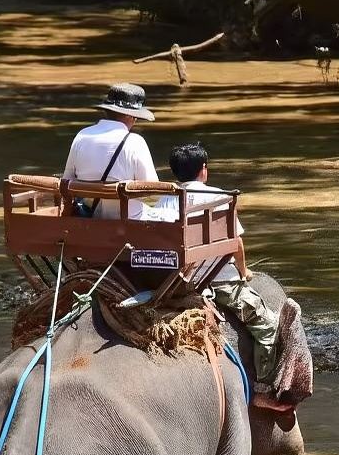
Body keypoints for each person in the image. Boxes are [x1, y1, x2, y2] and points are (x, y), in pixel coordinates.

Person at [155, 143, 280, 391]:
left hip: (176, 281)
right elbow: (237, 243)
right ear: (204, 170)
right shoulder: (220, 196)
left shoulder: (165, 199)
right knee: (268, 326)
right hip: (216, 281)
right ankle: (265, 389)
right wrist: (243, 272)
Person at [62, 83, 158, 220]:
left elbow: (67, 182)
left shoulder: (82, 136)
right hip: (129, 222)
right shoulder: (135, 142)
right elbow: (154, 193)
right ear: (131, 116)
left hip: (90, 218)